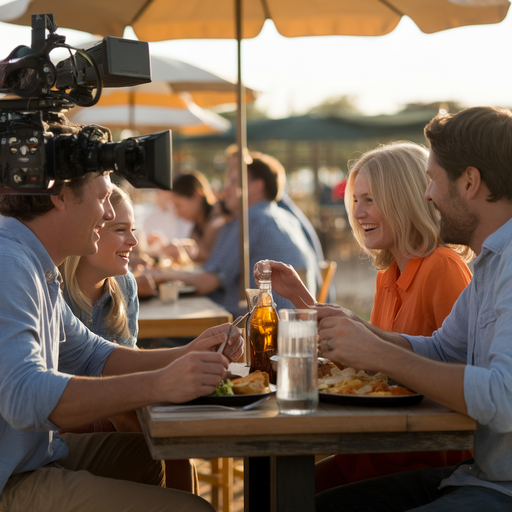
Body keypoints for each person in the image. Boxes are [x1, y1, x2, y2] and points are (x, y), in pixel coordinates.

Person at [0, 163, 243, 511]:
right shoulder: (8, 261)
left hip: (32, 454)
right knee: (195, 509)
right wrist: (159, 384)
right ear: (60, 196)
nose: (108, 213)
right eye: (102, 199)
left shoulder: (35, 263)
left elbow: (92, 355)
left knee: (153, 453)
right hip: (10, 479)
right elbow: (26, 398)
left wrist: (188, 353)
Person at [311, 106, 512, 511]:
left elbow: (503, 400)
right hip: (479, 476)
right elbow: (441, 350)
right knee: (310, 502)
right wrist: (361, 331)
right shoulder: (492, 261)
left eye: (434, 180)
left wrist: (379, 352)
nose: (427, 194)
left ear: (470, 182)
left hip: (500, 487)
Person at [255, 141, 473, 491]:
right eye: (356, 201)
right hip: (371, 450)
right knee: (276, 488)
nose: (357, 213)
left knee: (286, 492)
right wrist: (297, 295)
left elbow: (462, 376)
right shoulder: (388, 274)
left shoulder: (443, 268)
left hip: (421, 461)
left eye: (370, 200)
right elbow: (367, 363)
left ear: (403, 198)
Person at [59, 184, 199, 493]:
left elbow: (127, 359)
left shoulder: (124, 285)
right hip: (57, 427)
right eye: (120, 229)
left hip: (112, 413)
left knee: (177, 449)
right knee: (166, 444)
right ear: (90, 231)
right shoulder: (53, 290)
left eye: (132, 229)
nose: (134, 241)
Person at [157, 152, 319, 317]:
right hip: (291, 324)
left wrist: (156, 276)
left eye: (233, 181)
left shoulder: (251, 219)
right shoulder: (284, 217)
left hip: (261, 330)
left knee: (161, 333)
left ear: (257, 186)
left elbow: (207, 281)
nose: (226, 188)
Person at [164, 171, 227, 263]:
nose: (176, 212)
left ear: (196, 196)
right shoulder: (198, 223)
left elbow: (209, 256)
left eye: (178, 205)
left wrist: (181, 249)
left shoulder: (219, 220)